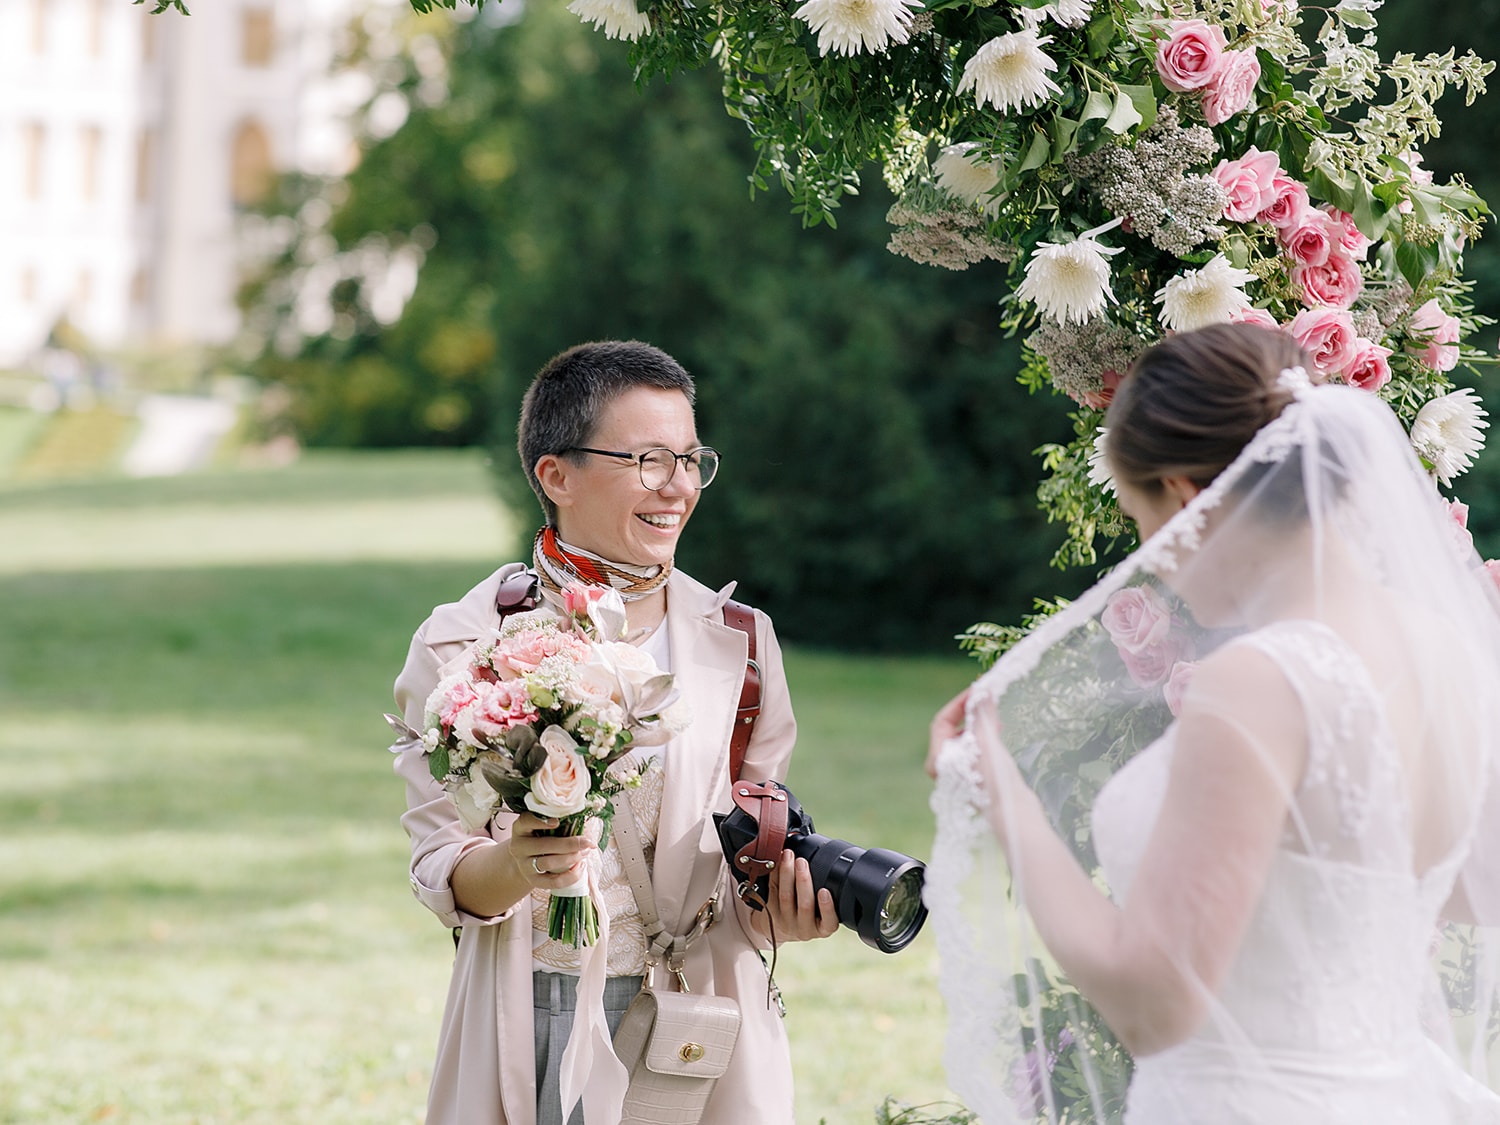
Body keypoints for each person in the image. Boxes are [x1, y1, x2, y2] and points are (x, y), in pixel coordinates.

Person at [924, 323, 1500, 1123]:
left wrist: (1000, 792)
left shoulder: (1262, 682)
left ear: (1186, 496)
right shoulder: (1446, 646)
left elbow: (1156, 1003)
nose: (1151, 556)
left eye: (1137, 518)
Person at [389, 340, 836, 1125]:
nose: (679, 486)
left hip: (703, 1020)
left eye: (693, 458)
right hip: (536, 1017)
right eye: (649, 460)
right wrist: (519, 861)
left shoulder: (742, 640)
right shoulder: (462, 642)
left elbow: (743, 860)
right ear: (555, 475)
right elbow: (441, 867)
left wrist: (784, 909)